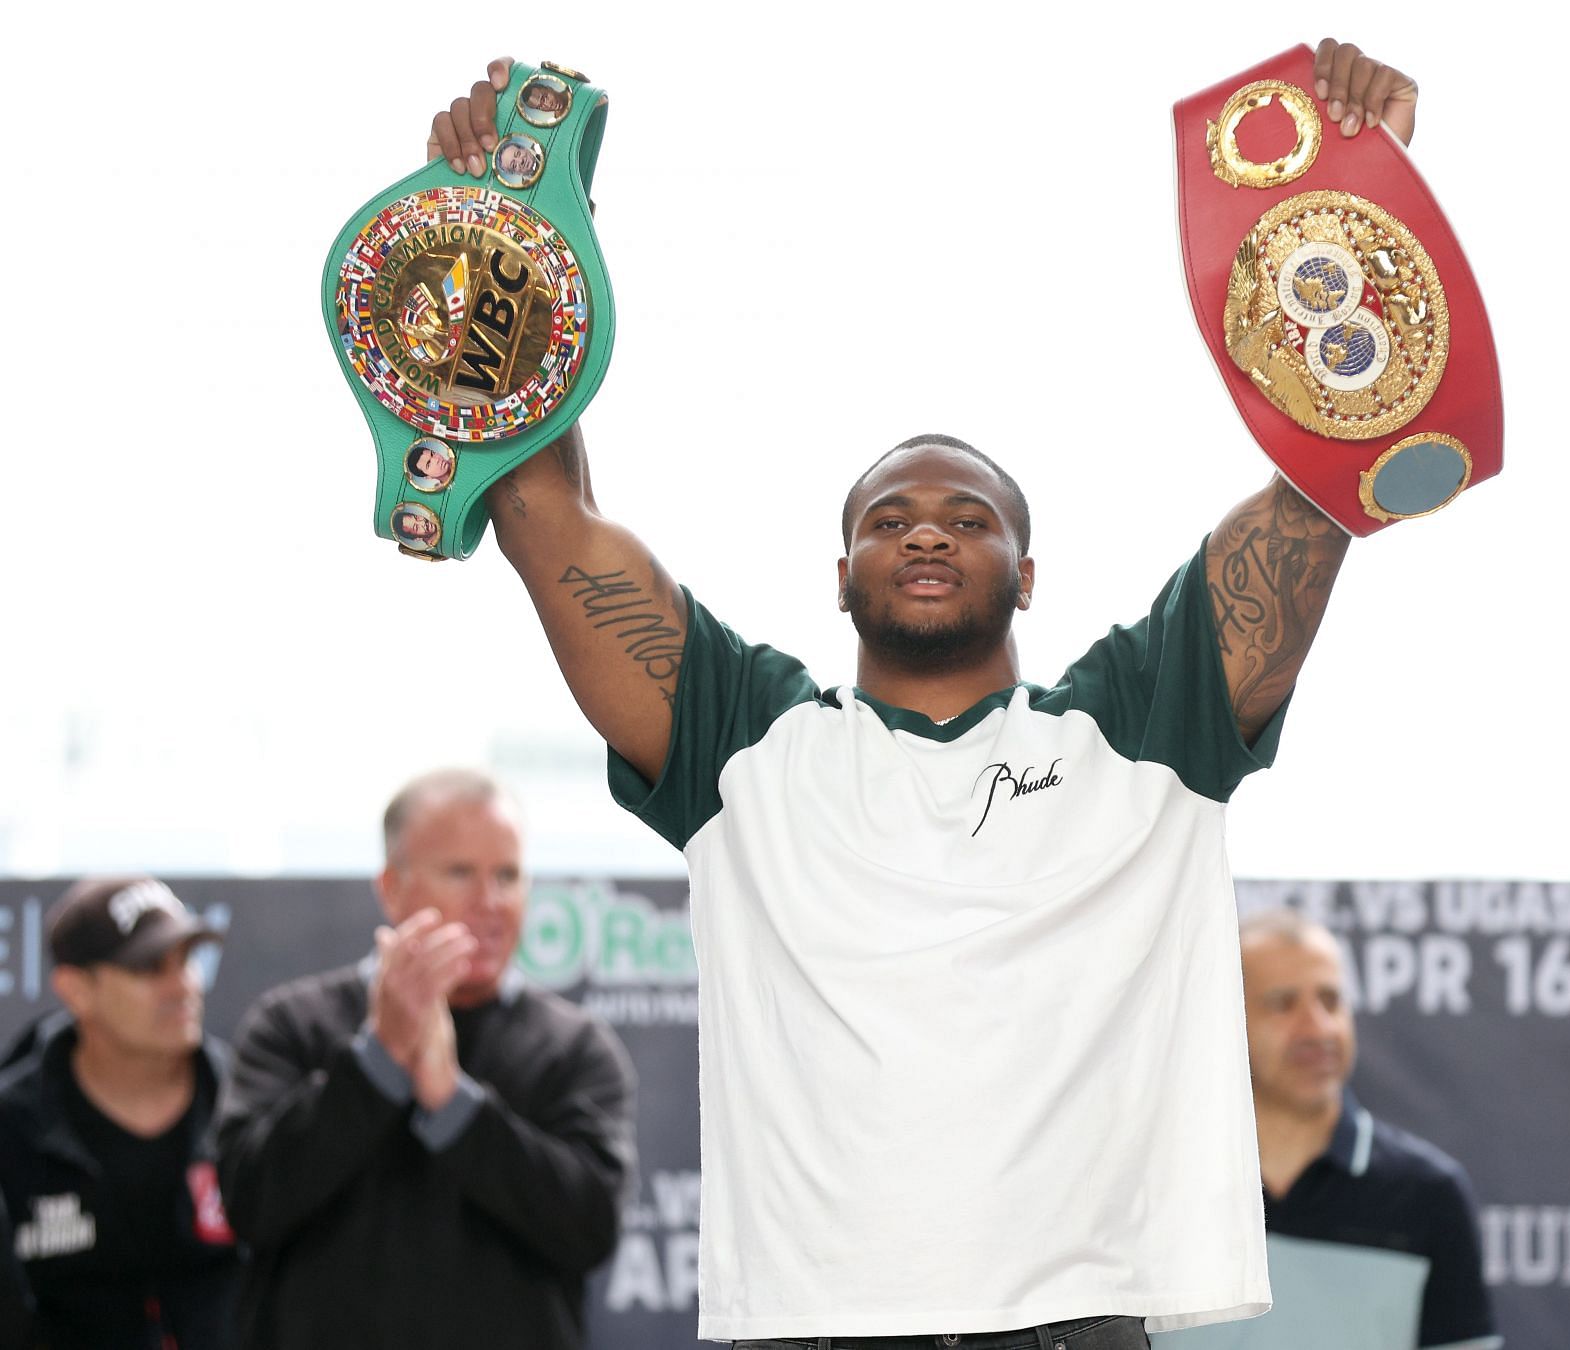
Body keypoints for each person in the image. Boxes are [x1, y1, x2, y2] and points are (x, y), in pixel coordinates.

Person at [426, 37, 1417, 1347]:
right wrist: (512, 237)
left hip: (1081, 1327)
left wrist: (1362, 195)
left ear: (1028, 568)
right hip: (822, 1326)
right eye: (892, 516)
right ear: (842, 574)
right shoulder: (746, 738)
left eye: (969, 515)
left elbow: (1323, 488)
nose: (930, 531)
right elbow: (545, 505)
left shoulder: (1141, 726)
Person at [214, 768, 637, 1350]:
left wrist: (450, 1098)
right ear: (391, 887)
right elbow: (250, 1203)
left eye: (508, 875)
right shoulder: (290, 1024)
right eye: (460, 873)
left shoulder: (574, 1047)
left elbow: (590, 1231)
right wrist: (378, 1059)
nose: (490, 903)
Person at [1157, 909, 1498, 1350]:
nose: (1318, 1027)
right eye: (1283, 1003)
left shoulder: (1430, 1194)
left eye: (1331, 1000)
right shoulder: (1156, 1188)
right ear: (1224, 1020)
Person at [0, 876, 240, 1350]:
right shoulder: (11, 1129)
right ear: (76, 989)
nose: (183, 986)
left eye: (187, 960)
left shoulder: (247, 1104)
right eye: (151, 967)